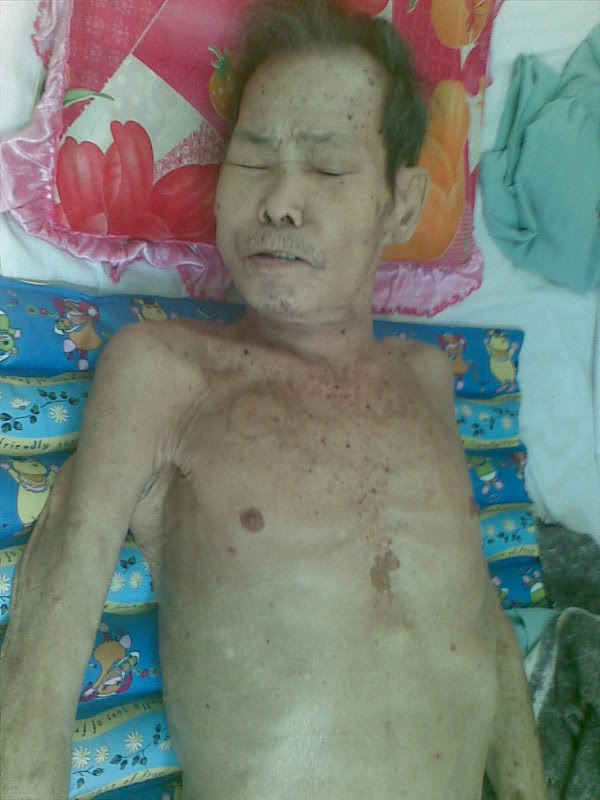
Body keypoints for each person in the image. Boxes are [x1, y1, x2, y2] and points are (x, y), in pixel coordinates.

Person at [0, 2, 548, 798]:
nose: (280, 202)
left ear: (401, 205)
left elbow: (483, 620)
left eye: (327, 169)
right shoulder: (166, 373)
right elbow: (47, 635)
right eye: (254, 161)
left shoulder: (428, 377)